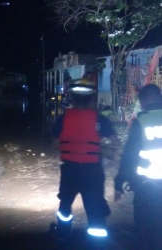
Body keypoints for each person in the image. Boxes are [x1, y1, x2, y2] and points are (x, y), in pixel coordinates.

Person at [52, 78, 120, 241]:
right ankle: (98, 242)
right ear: (91, 98)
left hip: (69, 171)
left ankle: (62, 236)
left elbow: (56, 145)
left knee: (65, 204)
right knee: (95, 207)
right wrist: (100, 150)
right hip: (92, 172)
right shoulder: (100, 119)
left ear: (72, 97)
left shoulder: (62, 119)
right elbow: (116, 143)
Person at [114, 84, 162, 249]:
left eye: (141, 100)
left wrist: (119, 181)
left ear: (147, 99)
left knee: (145, 229)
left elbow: (129, 155)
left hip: (146, 186)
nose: (141, 104)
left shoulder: (141, 121)